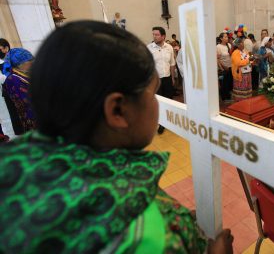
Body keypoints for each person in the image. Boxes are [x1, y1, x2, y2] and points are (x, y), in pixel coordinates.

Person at [0, 21, 234, 253]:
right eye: (152, 93)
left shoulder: (15, 169)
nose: (156, 103)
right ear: (118, 110)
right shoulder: (144, 237)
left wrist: (177, 220)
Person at [147, 26, 176, 134]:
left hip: (167, 78)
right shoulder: (149, 48)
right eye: (153, 34)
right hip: (155, 80)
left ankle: (169, 121)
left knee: (169, 100)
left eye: (157, 34)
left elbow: (172, 63)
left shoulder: (169, 47)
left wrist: (173, 78)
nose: (154, 36)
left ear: (163, 36)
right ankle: (161, 123)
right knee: (158, 102)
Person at [2, 48, 36, 134]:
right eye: (30, 61)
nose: (33, 63)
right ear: (19, 64)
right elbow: (26, 102)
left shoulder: (25, 75)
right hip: (32, 121)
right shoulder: (13, 80)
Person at [217, 32, 233, 101]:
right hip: (224, 68)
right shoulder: (218, 47)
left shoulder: (229, 45)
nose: (227, 38)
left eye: (227, 37)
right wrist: (223, 68)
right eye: (225, 37)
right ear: (221, 38)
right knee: (224, 84)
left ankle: (228, 96)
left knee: (229, 82)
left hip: (230, 67)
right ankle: (224, 98)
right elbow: (217, 59)